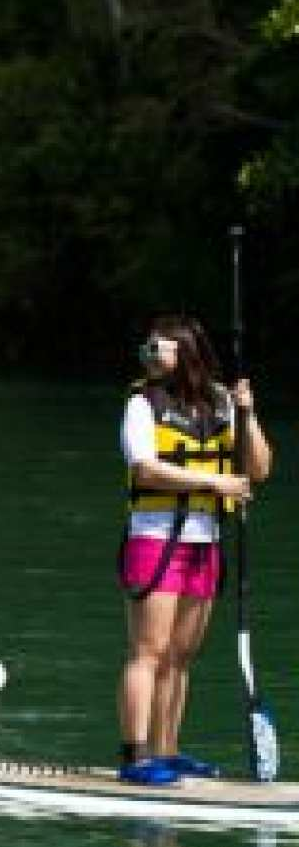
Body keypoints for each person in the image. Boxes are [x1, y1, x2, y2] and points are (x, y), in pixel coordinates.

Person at [117, 315, 270, 785]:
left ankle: (168, 749)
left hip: (205, 543)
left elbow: (258, 469)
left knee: (181, 655)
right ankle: (136, 757)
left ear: (185, 353)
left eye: (157, 346)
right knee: (150, 650)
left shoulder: (221, 403)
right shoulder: (142, 404)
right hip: (155, 539)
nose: (147, 352)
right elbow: (144, 470)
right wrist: (213, 480)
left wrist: (248, 413)